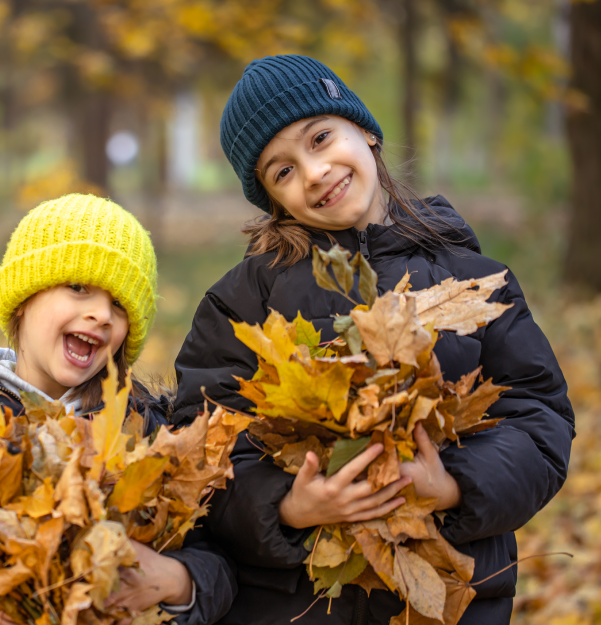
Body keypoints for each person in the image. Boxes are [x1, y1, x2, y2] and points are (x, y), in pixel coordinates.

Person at [171, 55, 574, 624]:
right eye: (281, 171)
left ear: (365, 131)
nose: (313, 172)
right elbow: (202, 444)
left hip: (445, 598)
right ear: (271, 200)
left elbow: (539, 417)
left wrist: (455, 485)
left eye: (320, 138)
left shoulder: (474, 279)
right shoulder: (240, 306)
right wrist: (286, 505)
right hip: (297, 603)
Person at [0, 194, 236, 625]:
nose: (100, 315)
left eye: (119, 306)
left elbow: (216, 558)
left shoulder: (142, 428)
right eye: (78, 288)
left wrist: (178, 579)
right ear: (24, 298)